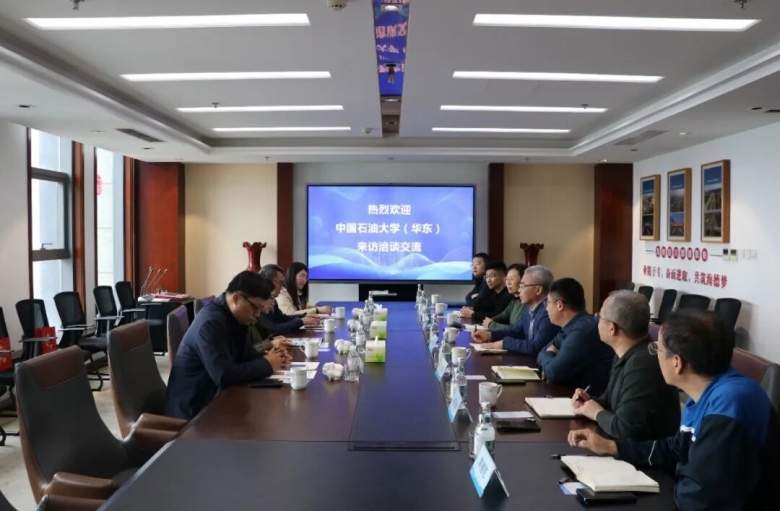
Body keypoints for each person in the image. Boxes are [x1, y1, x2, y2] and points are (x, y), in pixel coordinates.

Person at [569, 310, 780, 510]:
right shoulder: (708, 391)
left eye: (657, 349)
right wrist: (611, 447)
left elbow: (700, 499)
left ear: (677, 363)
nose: (655, 355)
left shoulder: (730, 406)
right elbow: (675, 449)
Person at [165, 271, 291, 420]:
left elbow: (246, 355)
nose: (258, 315)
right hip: (195, 411)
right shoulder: (211, 323)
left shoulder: (234, 317)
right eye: (255, 308)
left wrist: (272, 357)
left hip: (215, 398)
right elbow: (224, 376)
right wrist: (267, 364)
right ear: (236, 298)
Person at [571, 290, 680, 440]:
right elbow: (613, 403)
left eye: (599, 317)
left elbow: (625, 429)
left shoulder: (642, 364)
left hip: (644, 451)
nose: (597, 321)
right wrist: (589, 401)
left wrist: (596, 413)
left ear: (612, 328)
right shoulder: (626, 351)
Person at [536, 278, 613, 396]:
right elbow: (541, 351)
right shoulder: (571, 325)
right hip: (573, 394)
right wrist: (549, 357)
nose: (546, 308)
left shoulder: (584, 330)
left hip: (591, 400)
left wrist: (549, 355)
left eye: (547, 303)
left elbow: (553, 373)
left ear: (560, 305)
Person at [471, 265, 559, 356]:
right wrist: (490, 335)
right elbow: (516, 331)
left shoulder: (548, 312)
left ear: (538, 290)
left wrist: (503, 343)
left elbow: (536, 346)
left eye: (522, 286)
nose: (519, 290)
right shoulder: (529, 308)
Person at [258, 264, 320, 336]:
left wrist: (303, 316)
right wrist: (301, 321)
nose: (281, 287)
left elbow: (282, 318)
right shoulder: (260, 302)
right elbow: (272, 329)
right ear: (268, 282)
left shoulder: (273, 299)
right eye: (280, 282)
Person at [483, 263, 527, 331]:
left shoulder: (528, 302)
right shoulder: (514, 301)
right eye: (507, 279)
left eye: (512, 279)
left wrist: (491, 324)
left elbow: (517, 330)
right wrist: (489, 321)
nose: (508, 283)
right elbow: (503, 316)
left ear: (523, 281)